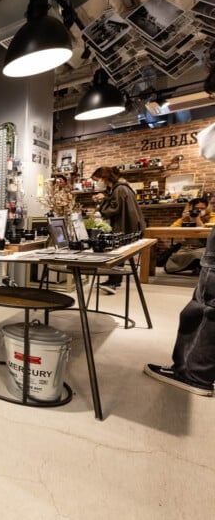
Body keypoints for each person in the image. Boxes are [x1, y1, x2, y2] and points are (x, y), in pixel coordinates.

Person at [144, 116, 215, 396]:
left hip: (201, 250)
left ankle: (196, 374)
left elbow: (207, 145)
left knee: (206, 305)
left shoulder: (208, 217)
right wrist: (185, 218)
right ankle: (191, 369)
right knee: (201, 304)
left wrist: (199, 222)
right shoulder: (187, 216)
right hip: (192, 249)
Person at [91, 165, 145, 293]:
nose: (97, 183)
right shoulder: (120, 188)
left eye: (97, 179)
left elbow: (115, 208)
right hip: (127, 225)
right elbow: (116, 202)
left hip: (124, 225)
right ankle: (114, 280)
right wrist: (105, 197)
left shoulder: (119, 189)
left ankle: (113, 282)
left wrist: (101, 211)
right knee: (117, 252)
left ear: (104, 178)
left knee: (116, 253)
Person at [163, 197, 215, 275]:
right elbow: (171, 230)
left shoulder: (212, 216)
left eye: (202, 208)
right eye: (197, 208)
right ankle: (196, 265)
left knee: (199, 255)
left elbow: (209, 234)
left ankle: (198, 265)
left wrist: (197, 220)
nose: (199, 211)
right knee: (170, 264)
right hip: (187, 247)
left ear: (207, 208)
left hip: (204, 247)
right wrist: (183, 219)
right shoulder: (187, 218)